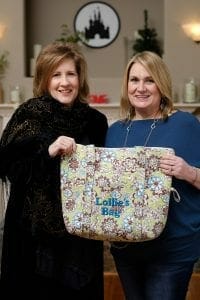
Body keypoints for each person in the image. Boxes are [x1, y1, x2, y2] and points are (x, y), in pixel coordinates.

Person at [0, 42, 108, 299]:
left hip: (80, 235)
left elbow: (104, 174)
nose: (64, 82)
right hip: (32, 238)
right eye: (56, 75)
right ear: (44, 79)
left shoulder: (96, 121)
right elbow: (7, 166)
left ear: (80, 78)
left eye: (70, 74)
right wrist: (48, 152)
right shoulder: (28, 116)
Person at [105, 51, 200, 300]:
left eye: (149, 80)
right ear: (126, 86)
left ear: (161, 84)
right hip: (126, 249)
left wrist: (187, 172)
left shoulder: (185, 124)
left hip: (172, 250)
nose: (141, 88)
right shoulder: (115, 132)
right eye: (134, 80)